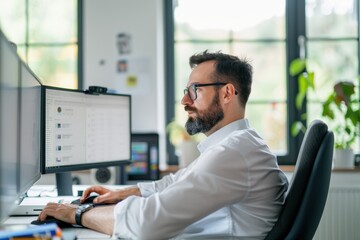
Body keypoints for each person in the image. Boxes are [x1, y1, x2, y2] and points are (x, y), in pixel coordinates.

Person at [38, 50, 289, 239]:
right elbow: (179, 181)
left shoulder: (233, 154)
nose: (184, 100)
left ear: (226, 93)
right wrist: (127, 193)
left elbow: (145, 224)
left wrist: (77, 214)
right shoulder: (239, 145)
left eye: (194, 90)